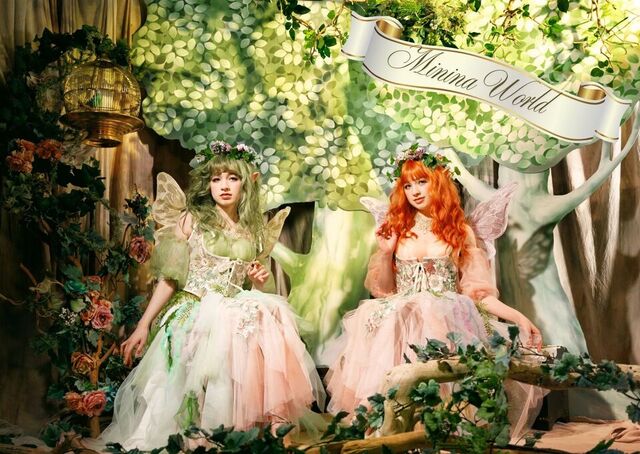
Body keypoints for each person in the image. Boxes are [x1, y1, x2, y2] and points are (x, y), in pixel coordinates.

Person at [99, 141, 324, 450]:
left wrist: (260, 281)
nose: (224, 186)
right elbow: (170, 278)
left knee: (269, 318)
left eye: (232, 178)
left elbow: (257, 286)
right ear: (208, 184)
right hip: (196, 309)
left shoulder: (252, 229)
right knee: (191, 385)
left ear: (247, 182)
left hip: (234, 312)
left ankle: (250, 434)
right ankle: (195, 439)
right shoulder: (192, 219)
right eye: (216, 179)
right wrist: (143, 324)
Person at [325, 143, 543, 438]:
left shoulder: (460, 231)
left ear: (438, 182)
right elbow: (385, 290)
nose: (414, 191)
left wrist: (518, 317)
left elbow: (478, 294)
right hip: (400, 323)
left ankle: (440, 431)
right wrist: (387, 253)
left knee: (444, 403)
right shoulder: (397, 229)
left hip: (444, 321)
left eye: (421, 181)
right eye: (408, 185)